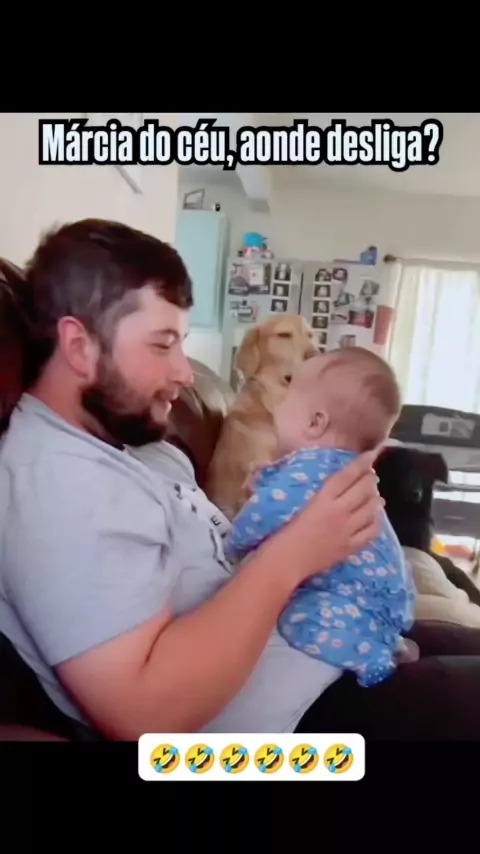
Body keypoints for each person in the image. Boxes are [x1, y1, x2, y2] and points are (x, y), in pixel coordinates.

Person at [1, 218, 480, 742]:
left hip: (320, 660)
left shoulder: (136, 446)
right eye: (162, 345)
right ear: (79, 346)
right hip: (271, 745)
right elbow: (144, 716)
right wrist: (297, 550)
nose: (185, 373)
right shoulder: (54, 482)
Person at [225, 348, 419, 687]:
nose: (279, 401)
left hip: (346, 597)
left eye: (288, 392)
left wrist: (232, 543)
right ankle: (387, 639)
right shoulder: (337, 469)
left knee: (298, 620)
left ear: (315, 422)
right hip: (381, 593)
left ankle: (374, 659)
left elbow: (260, 519)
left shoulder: (309, 471)